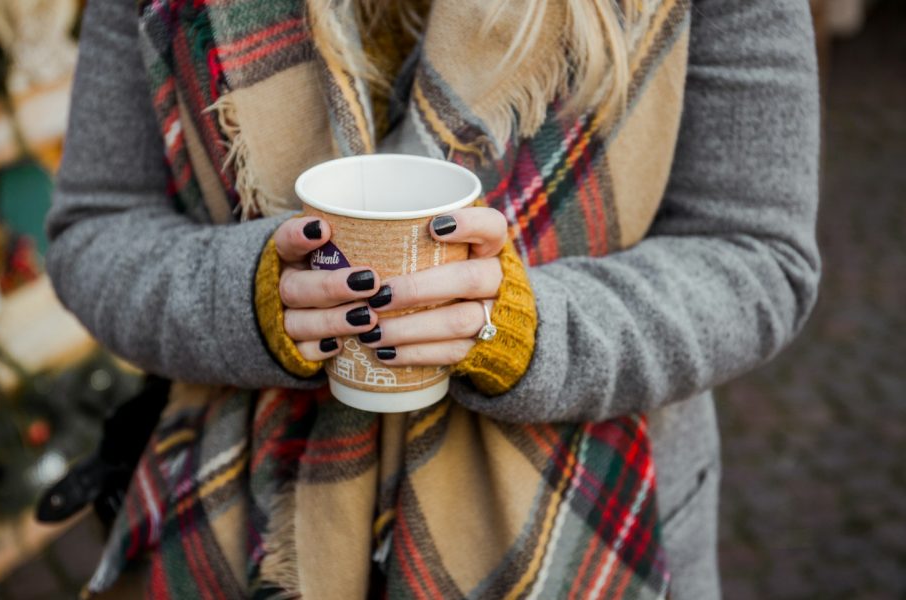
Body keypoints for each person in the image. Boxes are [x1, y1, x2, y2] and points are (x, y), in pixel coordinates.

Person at [46, 0, 820, 598]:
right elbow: (95, 227)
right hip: (240, 539)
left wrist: (529, 330)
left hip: (588, 534)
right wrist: (247, 299)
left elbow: (757, 253)